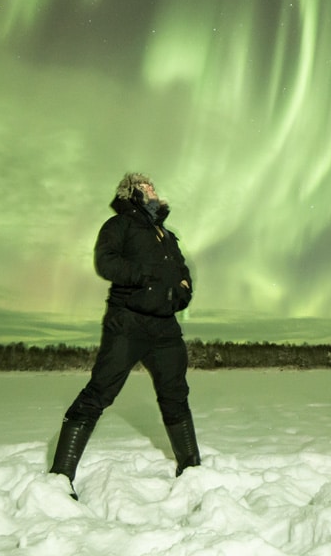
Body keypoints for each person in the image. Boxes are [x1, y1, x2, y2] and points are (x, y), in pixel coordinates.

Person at [49, 172, 200, 499]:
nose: (153, 190)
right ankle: (60, 477)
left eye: (154, 187)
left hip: (165, 327)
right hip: (128, 323)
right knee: (99, 392)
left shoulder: (165, 234)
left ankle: (191, 470)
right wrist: (143, 277)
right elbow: (105, 263)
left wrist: (183, 290)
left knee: (176, 394)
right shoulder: (118, 226)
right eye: (146, 187)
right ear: (131, 194)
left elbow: (182, 271)